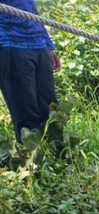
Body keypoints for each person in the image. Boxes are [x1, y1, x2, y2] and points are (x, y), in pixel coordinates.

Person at [0, 0, 60, 142]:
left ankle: (60, 159)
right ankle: (32, 161)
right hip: (10, 43)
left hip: (39, 43)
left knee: (51, 110)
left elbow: (30, 9)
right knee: (26, 114)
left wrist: (49, 44)